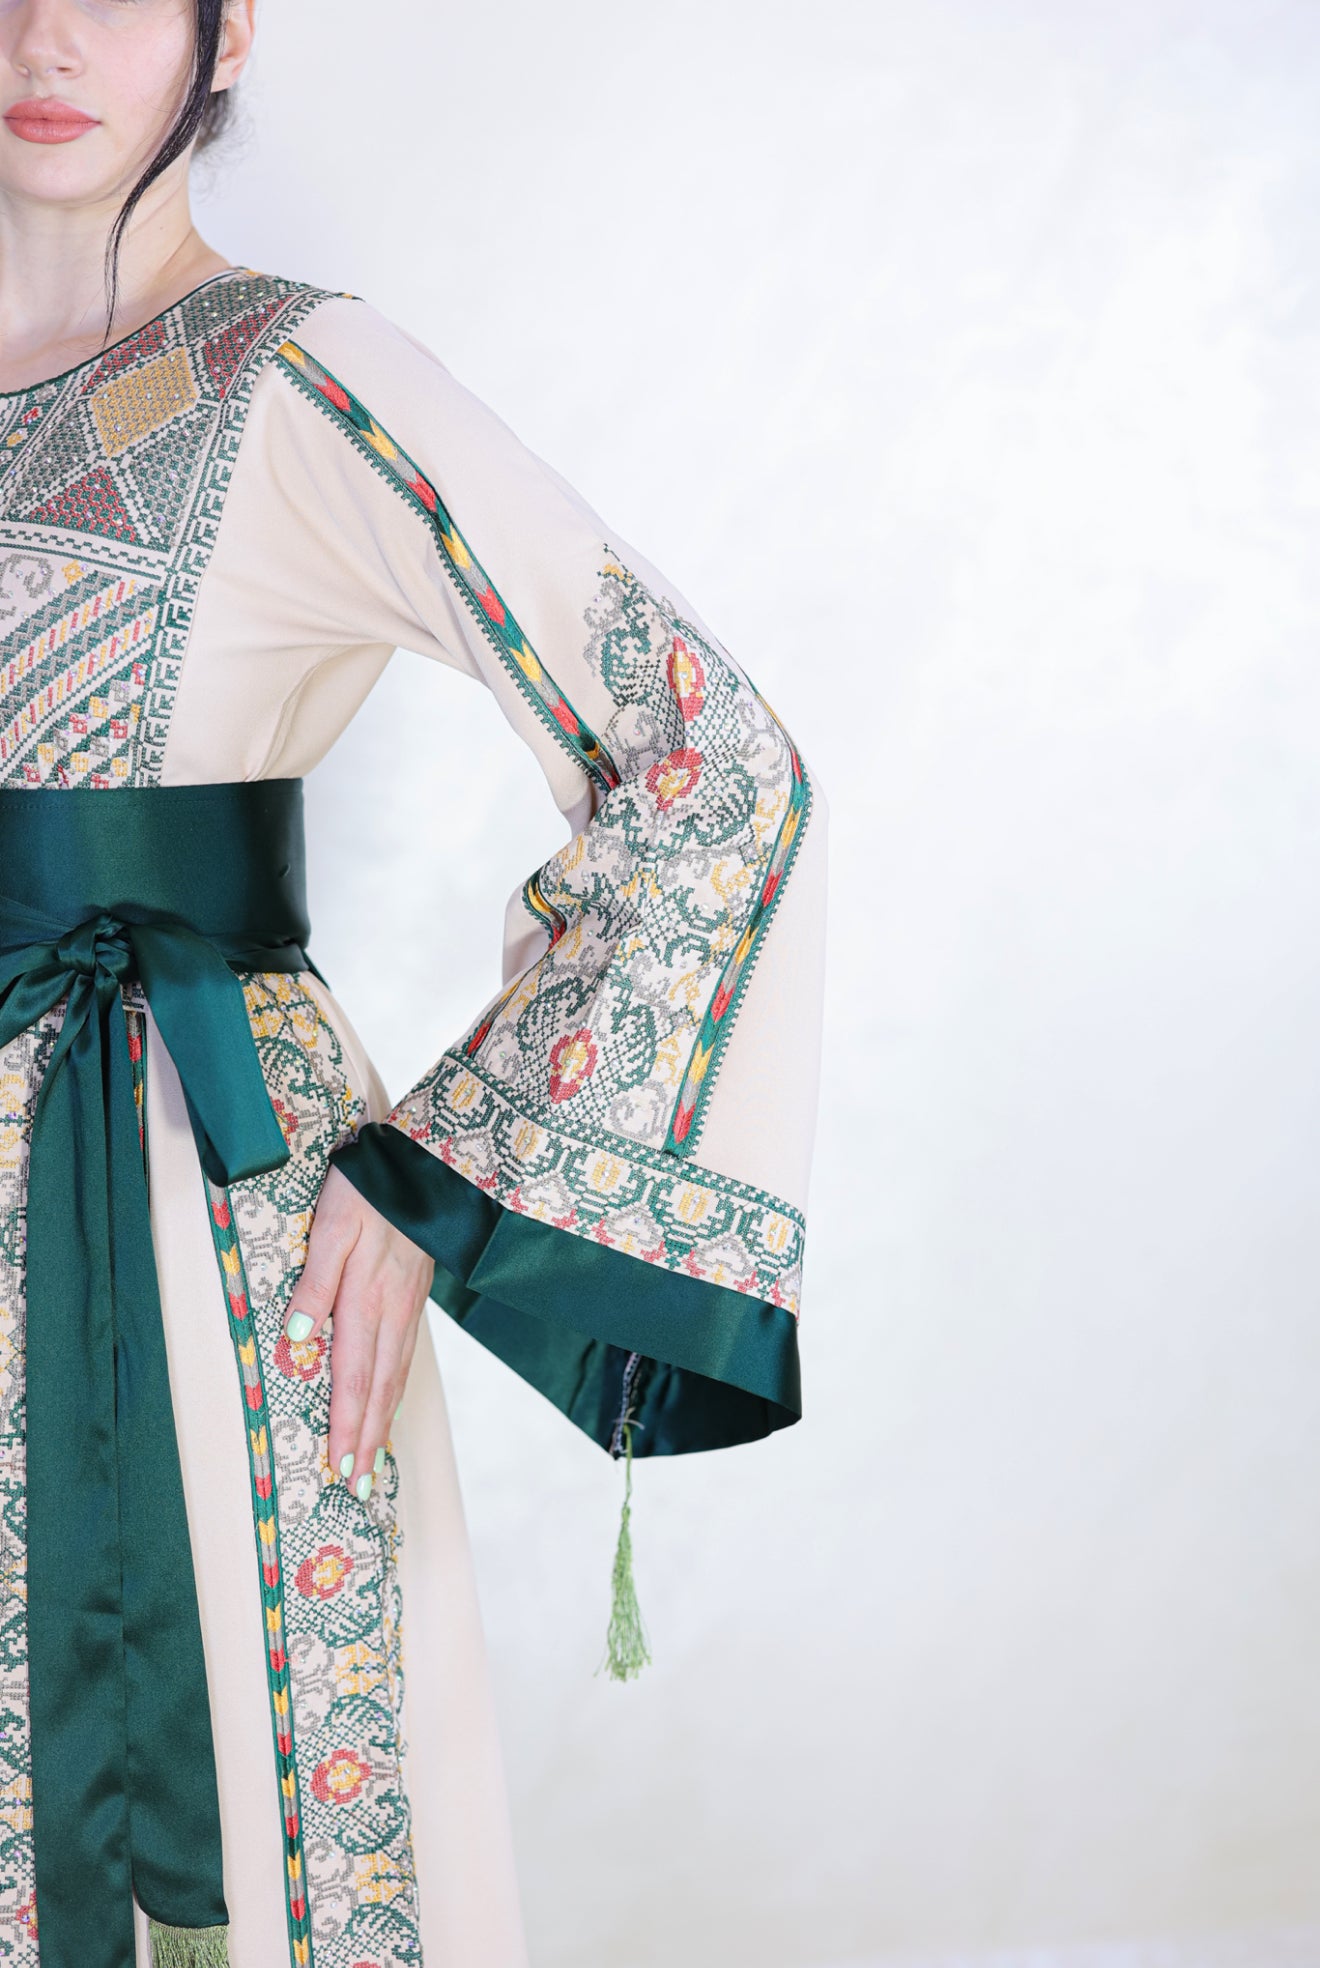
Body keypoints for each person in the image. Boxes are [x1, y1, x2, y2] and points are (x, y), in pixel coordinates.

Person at [0, 1, 829, 1964]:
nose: (44, 32)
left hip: (175, 1190)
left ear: (226, 27)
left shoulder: (284, 375)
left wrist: (444, 1161)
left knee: (247, 1794)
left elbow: (712, 761)